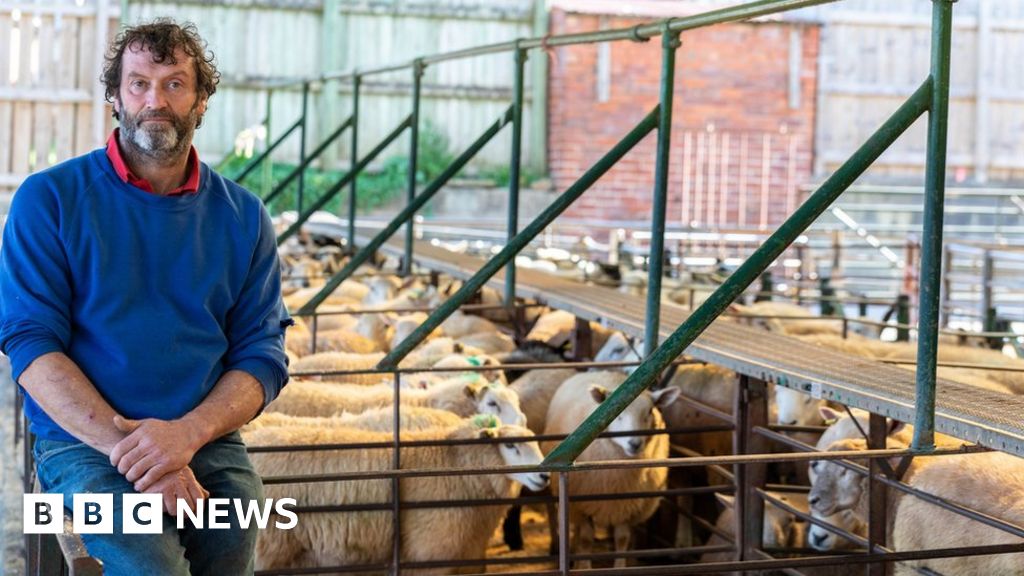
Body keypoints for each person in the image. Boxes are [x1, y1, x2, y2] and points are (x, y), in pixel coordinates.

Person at [0, 19, 290, 575]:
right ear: (114, 96)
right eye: (138, 84)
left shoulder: (244, 216)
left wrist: (186, 435)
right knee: (151, 561)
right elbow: (30, 344)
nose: (155, 100)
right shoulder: (50, 200)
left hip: (203, 436)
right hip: (84, 441)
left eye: (175, 84)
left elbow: (262, 354)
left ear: (201, 100)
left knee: (235, 529)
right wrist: (141, 455)